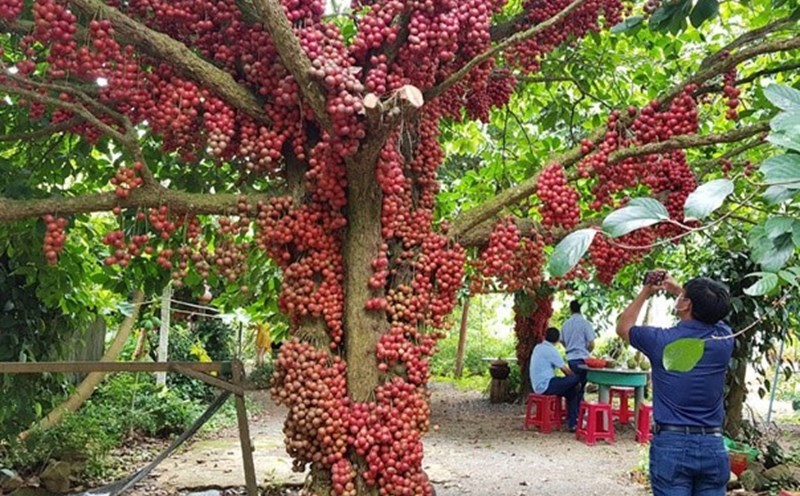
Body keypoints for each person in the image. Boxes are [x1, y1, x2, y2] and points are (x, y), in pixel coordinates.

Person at [616, 273, 733, 496]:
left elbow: (624, 327)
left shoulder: (661, 341)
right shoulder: (724, 339)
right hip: (713, 445)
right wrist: (681, 292)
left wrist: (646, 291)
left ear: (687, 304)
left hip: (672, 445)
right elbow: (714, 313)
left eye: (683, 296)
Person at [530, 327, 581, 431]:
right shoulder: (551, 350)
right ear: (558, 340)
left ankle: (573, 423)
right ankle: (572, 423)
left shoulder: (538, 347)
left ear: (545, 336)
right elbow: (566, 371)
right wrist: (575, 380)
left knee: (572, 391)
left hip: (537, 385)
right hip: (546, 385)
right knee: (577, 378)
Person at [560, 300, 595, 399]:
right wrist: (588, 350)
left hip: (571, 358)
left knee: (574, 386)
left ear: (570, 310)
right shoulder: (585, 323)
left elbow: (561, 340)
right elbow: (591, 343)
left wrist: (569, 347)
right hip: (583, 358)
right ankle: (578, 410)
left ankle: (574, 410)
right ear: (581, 309)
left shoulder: (565, 324)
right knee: (580, 387)